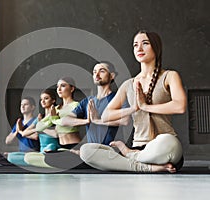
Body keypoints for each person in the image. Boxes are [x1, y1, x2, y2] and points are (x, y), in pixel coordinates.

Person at [80, 30, 187, 173]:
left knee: (169, 142)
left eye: (145, 44)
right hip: (138, 146)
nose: (139, 48)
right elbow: (106, 115)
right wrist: (134, 108)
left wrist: (145, 106)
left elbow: (180, 106)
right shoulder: (128, 84)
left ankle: (131, 157)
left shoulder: (169, 76)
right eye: (135, 45)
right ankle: (145, 166)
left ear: (156, 47)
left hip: (162, 147)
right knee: (86, 150)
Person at [24, 77, 82, 168]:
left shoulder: (76, 105)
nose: (58, 89)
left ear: (72, 88)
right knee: (29, 157)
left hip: (74, 145)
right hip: (61, 147)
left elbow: (66, 122)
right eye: (57, 86)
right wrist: (47, 121)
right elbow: (39, 126)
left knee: (50, 158)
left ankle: (70, 160)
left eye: (62, 86)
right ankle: (63, 163)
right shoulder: (55, 108)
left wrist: (53, 119)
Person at [4, 97, 40, 166]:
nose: (22, 106)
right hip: (21, 153)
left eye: (26, 104)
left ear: (32, 107)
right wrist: (16, 132)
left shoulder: (36, 121)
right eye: (21, 105)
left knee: (11, 158)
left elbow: (36, 136)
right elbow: (7, 141)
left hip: (33, 153)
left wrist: (21, 132)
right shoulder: (19, 123)